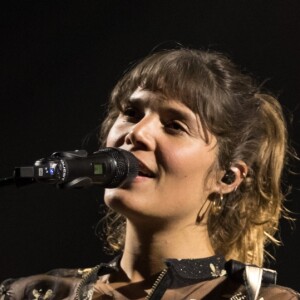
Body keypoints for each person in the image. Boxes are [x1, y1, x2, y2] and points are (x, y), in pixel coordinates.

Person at [1, 48, 299, 299]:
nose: (137, 133)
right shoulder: (32, 293)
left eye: (175, 125)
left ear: (226, 178)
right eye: (131, 113)